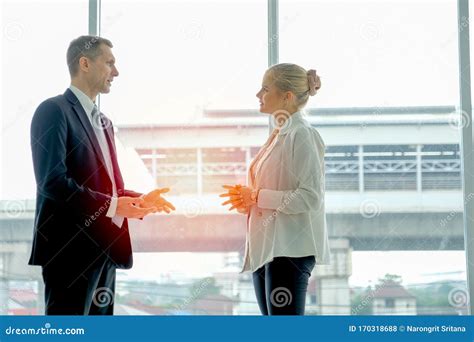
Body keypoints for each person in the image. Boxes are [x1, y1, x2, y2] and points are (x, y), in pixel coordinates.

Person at [29, 35, 175, 315]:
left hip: (105, 248)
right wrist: (112, 205)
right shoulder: (53, 111)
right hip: (69, 251)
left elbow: (109, 189)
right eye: (109, 63)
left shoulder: (104, 122)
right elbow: (52, 182)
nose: (116, 72)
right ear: (84, 63)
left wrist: (138, 200)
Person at [220, 63, 330, 315]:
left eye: (265, 89)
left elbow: (310, 197)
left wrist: (257, 196)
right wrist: (249, 200)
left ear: (287, 96)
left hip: (289, 251)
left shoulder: (302, 134)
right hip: (268, 249)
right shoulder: (281, 133)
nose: (258, 95)